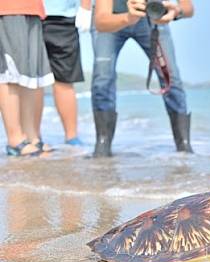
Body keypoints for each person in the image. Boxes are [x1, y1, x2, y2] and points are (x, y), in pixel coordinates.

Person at [92, 0, 194, 157]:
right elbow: (100, 21)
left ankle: (184, 147)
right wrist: (128, 17)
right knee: (102, 78)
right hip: (113, 20)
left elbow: (188, 9)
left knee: (171, 79)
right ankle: (102, 145)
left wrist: (175, 12)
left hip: (152, 21)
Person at [0, 0, 54, 157]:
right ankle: (15, 139)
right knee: (9, 72)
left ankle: (31, 136)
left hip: (32, 8)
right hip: (7, 8)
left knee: (31, 74)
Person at [41, 0, 92, 146]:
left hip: (64, 15)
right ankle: (34, 138)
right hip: (26, 13)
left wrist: (85, 6)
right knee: (32, 80)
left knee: (64, 79)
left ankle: (71, 137)